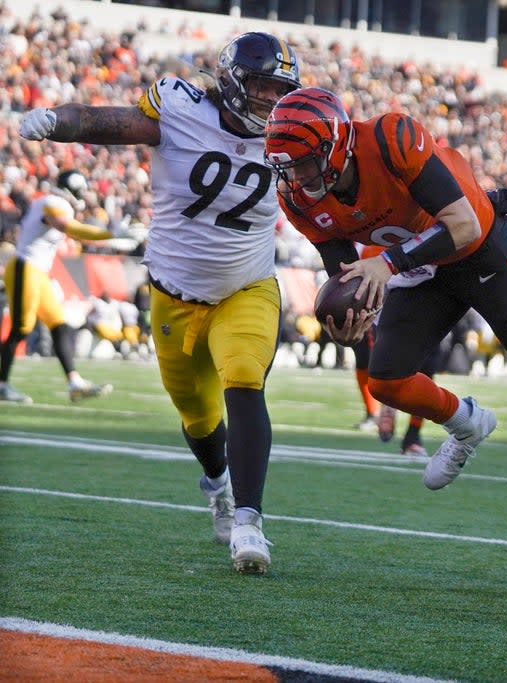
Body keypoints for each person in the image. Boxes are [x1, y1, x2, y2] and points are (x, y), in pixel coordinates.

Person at [19, 32, 302, 574]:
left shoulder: (294, 134)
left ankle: (249, 521)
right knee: (197, 415)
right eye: (262, 86)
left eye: (279, 88)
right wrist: (57, 121)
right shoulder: (181, 109)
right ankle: (217, 485)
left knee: (244, 378)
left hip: (248, 286)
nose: (271, 99)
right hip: (174, 293)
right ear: (234, 81)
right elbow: (106, 122)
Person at [263, 87, 507, 489]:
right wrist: (355, 318)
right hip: (423, 268)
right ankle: (467, 422)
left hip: (483, 250)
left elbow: (463, 226)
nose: (299, 177)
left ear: (337, 146)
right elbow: (348, 276)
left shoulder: (392, 138)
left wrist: (387, 263)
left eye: (305, 163)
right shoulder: (299, 199)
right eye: (289, 168)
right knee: (387, 378)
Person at [0, 170, 114, 404]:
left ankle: (74, 383)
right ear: (73, 188)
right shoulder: (53, 202)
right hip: (25, 267)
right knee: (21, 329)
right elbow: (67, 227)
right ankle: (1, 384)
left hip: (38, 272)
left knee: (58, 324)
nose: (83, 194)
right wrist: (110, 234)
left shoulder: (53, 201)